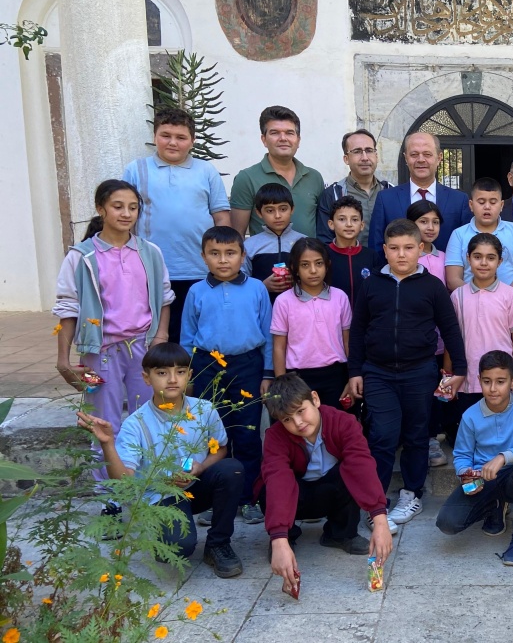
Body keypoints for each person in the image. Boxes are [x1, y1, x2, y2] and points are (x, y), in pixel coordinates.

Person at [54, 180, 175, 521]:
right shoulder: (82, 258)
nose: (126, 213)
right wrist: (63, 359)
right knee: (103, 423)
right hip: (99, 351)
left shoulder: (150, 253)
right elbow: (67, 308)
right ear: (101, 209)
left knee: (150, 418)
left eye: (132, 207)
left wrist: (160, 336)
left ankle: (151, 494)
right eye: (118, 206)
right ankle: (111, 501)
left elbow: (164, 298)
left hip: (143, 350)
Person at [78, 342, 244, 578]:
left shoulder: (204, 409)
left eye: (180, 372)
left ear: (190, 375)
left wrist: (200, 468)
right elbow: (125, 480)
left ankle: (218, 544)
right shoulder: (136, 423)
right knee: (179, 549)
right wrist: (107, 444)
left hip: (195, 486)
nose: (172, 379)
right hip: (160, 496)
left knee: (232, 470)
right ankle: (161, 533)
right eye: (162, 373)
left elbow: (221, 449)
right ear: (146, 378)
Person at [345, 219, 467, 534]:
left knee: (416, 436)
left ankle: (412, 494)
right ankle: (376, 503)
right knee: (382, 436)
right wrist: (354, 371)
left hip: (420, 372)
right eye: (394, 248)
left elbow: (451, 328)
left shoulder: (432, 286)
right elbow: (357, 330)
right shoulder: (372, 284)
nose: (401, 255)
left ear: (420, 249)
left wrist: (461, 370)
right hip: (378, 373)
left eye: (408, 248)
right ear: (384, 250)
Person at [256, 373, 393, 597]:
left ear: (315, 399)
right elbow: (279, 480)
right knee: (267, 486)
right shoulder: (275, 437)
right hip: (296, 495)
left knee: (350, 473)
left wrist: (380, 520)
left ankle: (340, 533)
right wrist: (278, 538)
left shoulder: (343, 422)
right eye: (287, 419)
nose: (298, 423)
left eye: (301, 411)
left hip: (330, 491)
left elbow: (361, 466)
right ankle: (288, 537)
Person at [181, 226, 273, 525]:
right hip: (209, 368)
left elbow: (270, 334)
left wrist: (268, 372)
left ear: (243, 256)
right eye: (215, 254)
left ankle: (249, 498)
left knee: (246, 434)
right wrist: (189, 375)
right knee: (212, 437)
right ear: (203, 256)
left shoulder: (257, 288)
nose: (223, 260)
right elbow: (187, 338)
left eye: (231, 253)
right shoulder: (196, 292)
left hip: (248, 365)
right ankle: (212, 498)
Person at [121, 108, 230, 344]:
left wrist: (221, 258)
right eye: (165, 135)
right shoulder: (136, 170)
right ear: (154, 135)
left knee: (196, 333)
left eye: (181, 137)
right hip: (151, 270)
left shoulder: (206, 171)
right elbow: (124, 217)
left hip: (199, 269)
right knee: (156, 336)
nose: (173, 143)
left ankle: (194, 380)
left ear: (192, 140)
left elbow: (221, 217)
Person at [436, 350, 513, 566]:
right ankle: (495, 506)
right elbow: (461, 456)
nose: (493, 388)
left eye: (500, 381)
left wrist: (503, 457)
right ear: (479, 381)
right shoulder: (470, 416)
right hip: (482, 479)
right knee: (447, 523)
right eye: (487, 381)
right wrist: (465, 475)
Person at [449, 234, 513, 411]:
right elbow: (452, 339)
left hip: (501, 377)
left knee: (501, 429)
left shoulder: (510, 295)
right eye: (477, 257)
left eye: (490, 258)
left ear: (500, 261)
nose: (483, 263)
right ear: (468, 258)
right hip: (468, 379)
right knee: (470, 427)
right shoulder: (458, 296)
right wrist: (448, 373)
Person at [271, 238, 352, 409]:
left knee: (335, 427)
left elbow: (347, 341)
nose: (313, 270)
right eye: (305, 265)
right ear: (295, 268)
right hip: (299, 378)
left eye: (318, 263)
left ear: (327, 265)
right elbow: (279, 347)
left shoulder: (340, 297)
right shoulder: (283, 301)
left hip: (336, 375)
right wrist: (282, 384)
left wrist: (351, 376)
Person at [368, 131, 471, 255]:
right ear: (406, 158)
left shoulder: (459, 200)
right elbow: (376, 246)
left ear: (439, 158)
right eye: (414, 154)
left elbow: (466, 246)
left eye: (427, 154)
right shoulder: (386, 199)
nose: (421, 160)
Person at [230, 106, 325, 238]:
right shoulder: (246, 178)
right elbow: (237, 235)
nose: (283, 138)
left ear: (298, 140)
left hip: (309, 257)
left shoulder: (314, 177)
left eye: (289, 133)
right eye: (275, 133)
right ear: (264, 139)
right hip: (266, 257)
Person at [408, 199, 450, 467]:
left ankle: (433, 437)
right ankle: (415, 437)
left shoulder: (444, 258)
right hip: (413, 340)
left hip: (439, 339)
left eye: (435, 222)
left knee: (437, 389)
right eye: (423, 221)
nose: (430, 227)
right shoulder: (406, 256)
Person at [445, 178, 513, 292]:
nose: (487, 207)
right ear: (471, 205)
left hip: (510, 305)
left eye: (493, 202)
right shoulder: (458, 235)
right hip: (471, 306)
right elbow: (453, 279)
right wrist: (480, 300)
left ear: (501, 205)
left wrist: (506, 299)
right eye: (481, 202)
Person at [316, 129, 391, 243]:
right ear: (346, 159)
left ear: (376, 156)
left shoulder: (390, 191)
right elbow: (325, 241)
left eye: (369, 150)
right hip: (349, 260)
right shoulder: (333, 194)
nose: (365, 157)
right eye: (357, 151)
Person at [244, 183, 307, 301]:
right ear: (259, 212)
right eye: (269, 210)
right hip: (262, 309)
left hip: (298, 310)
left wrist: (298, 281)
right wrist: (263, 286)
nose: (277, 215)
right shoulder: (249, 246)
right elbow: (240, 282)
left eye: (283, 209)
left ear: (292, 209)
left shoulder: (305, 242)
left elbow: (316, 277)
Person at [325, 196, 378, 303]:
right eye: (342, 219)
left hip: (364, 318)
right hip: (332, 317)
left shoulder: (371, 256)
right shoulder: (323, 255)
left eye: (354, 219)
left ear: (362, 225)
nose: (349, 224)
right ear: (331, 224)